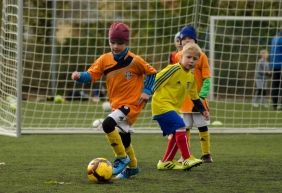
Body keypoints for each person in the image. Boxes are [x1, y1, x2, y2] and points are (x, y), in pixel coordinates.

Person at [71, 22, 157, 179]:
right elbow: (92, 74)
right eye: (113, 42)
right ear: (109, 40)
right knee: (124, 139)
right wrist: (79, 76)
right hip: (116, 105)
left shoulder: (135, 60)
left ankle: (121, 158)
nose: (116, 46)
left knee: (107, 124)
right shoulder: (104, 59)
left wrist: (147, 91)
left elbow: (152, 73)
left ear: (127, 43)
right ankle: (133, 167)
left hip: (132, 105)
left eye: (120, 43)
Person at [152, 43, 209, 171]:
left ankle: (165, 162)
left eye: (195, 59)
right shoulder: (173, 69)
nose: (191, 61)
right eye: (189, 57)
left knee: (177, 132)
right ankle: (187, 158)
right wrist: (146, 94)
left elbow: (194, 96)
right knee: (181, 126)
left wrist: (203, 110)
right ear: (181, 56)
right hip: (161, 105)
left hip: (172, 108)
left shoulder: (190, 77)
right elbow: (156, 80)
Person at [174, 25, 213, 163]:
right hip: (183, 100)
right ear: (180, 41)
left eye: (190, 38)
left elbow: (207, 78)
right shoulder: (177, 56)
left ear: (195, 40)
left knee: (201, 124)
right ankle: (185, 154)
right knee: (184, 127)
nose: (187, 41)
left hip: (197, 100)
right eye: (184, 38)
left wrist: (202, 96)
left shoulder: (202, 56)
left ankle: (206, 154)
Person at [270, 29, 282, 110]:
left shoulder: (274, 38)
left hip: (274, 64)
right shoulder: (280, 39)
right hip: (280, 64)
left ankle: (274, 104)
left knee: (275, 85)